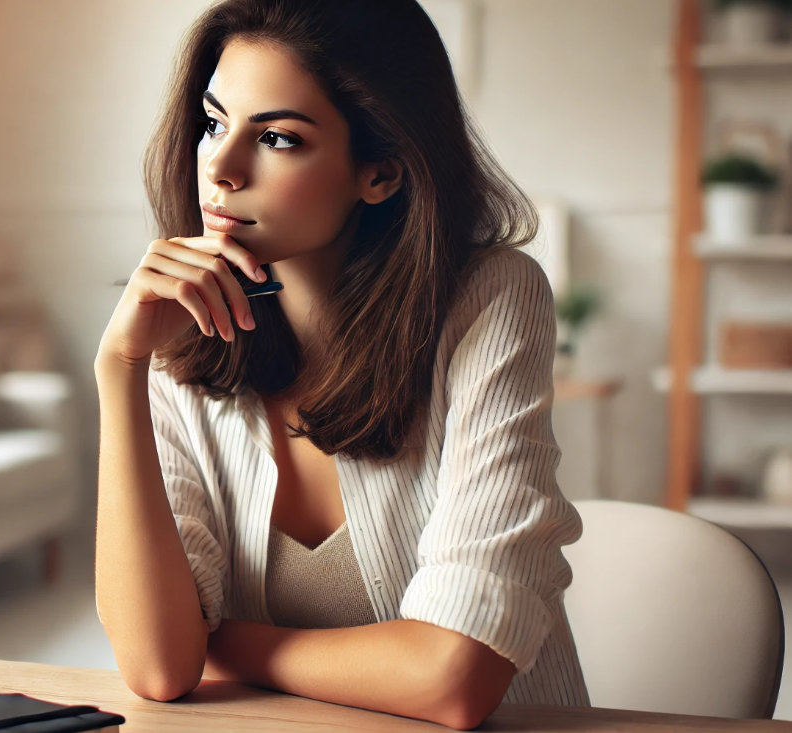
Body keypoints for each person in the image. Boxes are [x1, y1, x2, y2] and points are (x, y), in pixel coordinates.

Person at [92, 0, 588, 728]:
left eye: (280, 138)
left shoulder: (490, 299)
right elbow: (160, 666)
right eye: (213, 122)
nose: (221, 169)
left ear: (380, 174)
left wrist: (223, 641)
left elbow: (454, 677)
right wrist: (120, 365)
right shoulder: (180, 327)